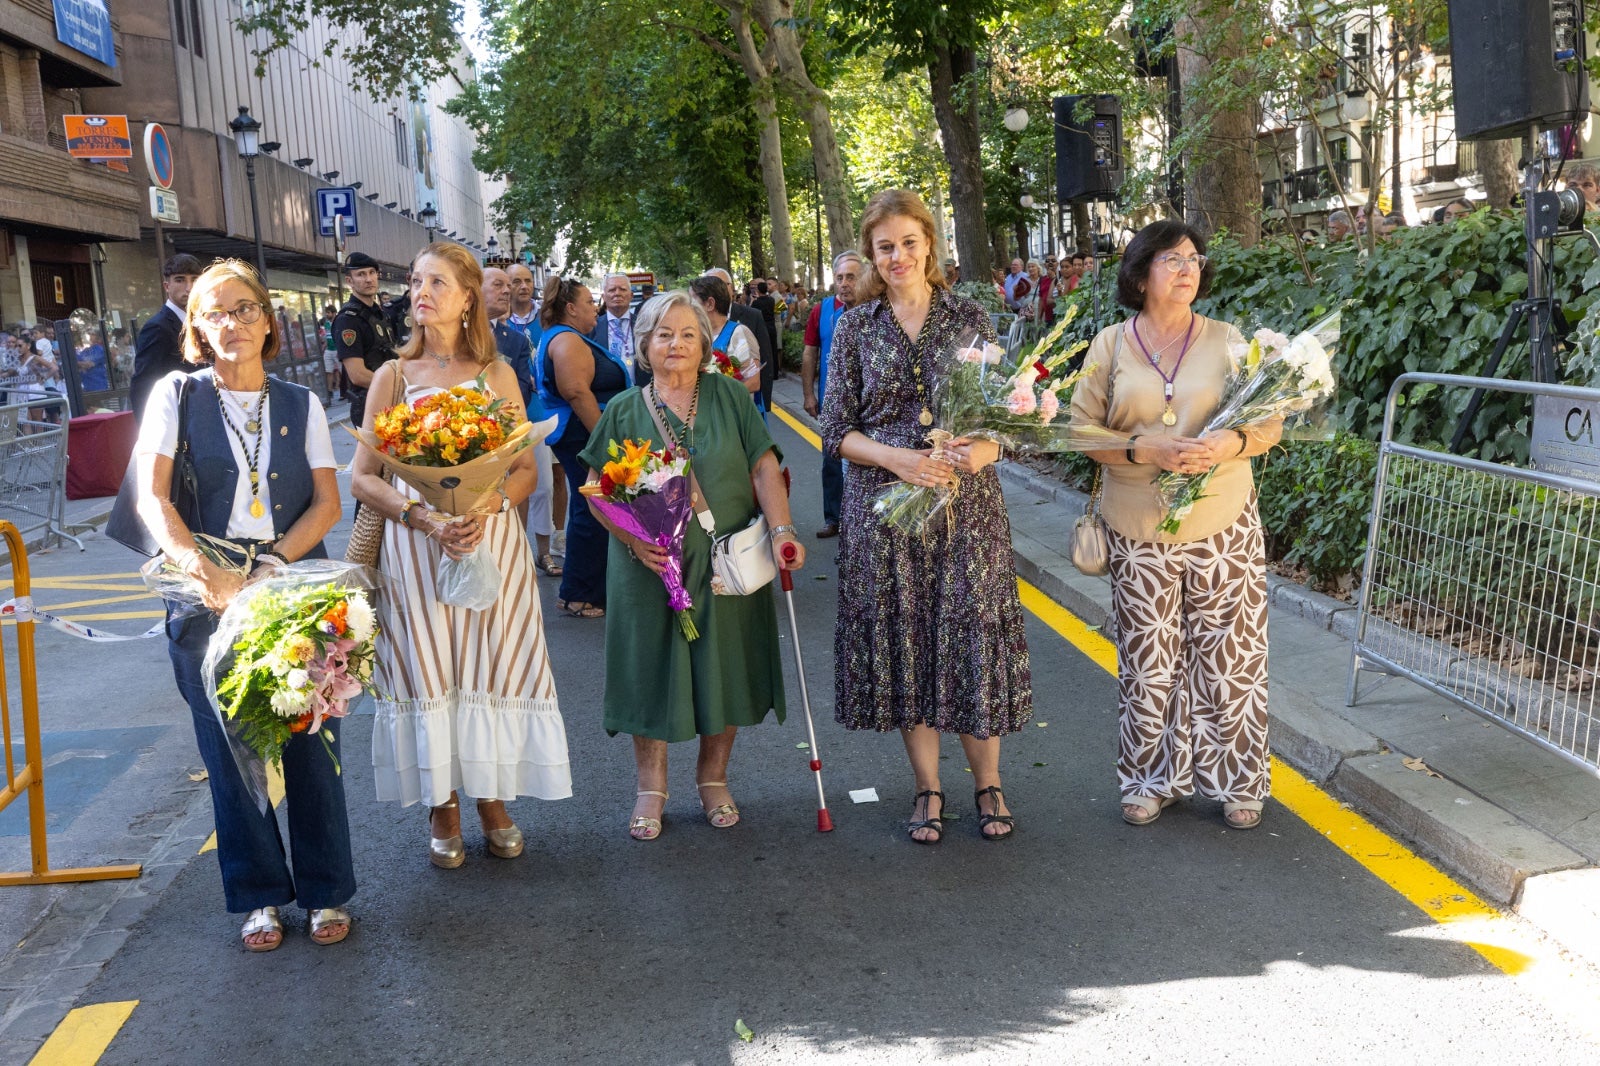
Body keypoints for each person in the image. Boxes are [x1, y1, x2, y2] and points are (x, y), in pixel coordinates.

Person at [132, 259, 351, 950]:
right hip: (206, 590)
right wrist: (204, 572)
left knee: (312, 739)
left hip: (291, 582)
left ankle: (324, 892)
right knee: (231, 751)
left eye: (245, 309)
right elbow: (153, 497)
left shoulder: (301, 403)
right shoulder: (177, 394)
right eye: (216, 312)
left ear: (268, 319)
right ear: (196, 325)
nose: (232, 323)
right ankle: (259, 897)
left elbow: (327, 503)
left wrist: (276, 565)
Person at [820, 189, 1031, 844]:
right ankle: (927, 788)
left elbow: (1003, 421)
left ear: (930, 245)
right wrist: (899, 461)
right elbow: (834, 430)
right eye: (886, 247)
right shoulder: (854, 326)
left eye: (909, 242)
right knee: (909, 641)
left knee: (970, 636)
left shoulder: (971, 318)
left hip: (967, 513)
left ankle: (989, 785)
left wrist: (983, 451)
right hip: (884, 515)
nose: (899, 256)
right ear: (871, 255)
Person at [352, 242, 572, 868]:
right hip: (416, 549)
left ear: (469, 296)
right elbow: (364, 477)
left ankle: (493, 801)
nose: (422, 292)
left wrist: (488, 507)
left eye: (437, 282)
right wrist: (421, 516)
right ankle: (442, 805)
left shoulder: (495, 375)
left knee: (490, 666)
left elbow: (527, 467)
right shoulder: (393, 377)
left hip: (487, 540)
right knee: (429, 668)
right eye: (416, 281)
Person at [1068, 219, 1281, 832]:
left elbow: (1269, 423)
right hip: (1137, 522)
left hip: (1222, 517)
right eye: (1171, 259)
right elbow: (1079, 429)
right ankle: (1149, 777)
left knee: (1231, 656)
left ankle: (1239, 780)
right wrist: (1143, 450)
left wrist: (1227, 443)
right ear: (1140, 274)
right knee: (1148, 659)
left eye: (1193, 258)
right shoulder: (1111, 344)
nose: (1188, 268)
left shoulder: (1228, 339)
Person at [579, 290, 805, 841]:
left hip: (725, 562)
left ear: (705, 342)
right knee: (649, 669)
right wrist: (634, 542)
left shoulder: (728, 396)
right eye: (663, 335)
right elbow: (596, 491)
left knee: (724, 663)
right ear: (643, 346)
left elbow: (763, 467)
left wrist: (782, 533)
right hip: (647, 568)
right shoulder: (623, 409)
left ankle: (713, 777)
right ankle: (650, 785)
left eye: (686, 334)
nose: (675, 344)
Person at [539, 276, 634, 618]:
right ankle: (579, 594)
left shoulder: (569, 337)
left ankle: (581, 591)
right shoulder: (566, 340)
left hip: (582, 434)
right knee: (591, 509)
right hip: (583, 435)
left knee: (588, 507)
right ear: (570, 308)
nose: (596, 308)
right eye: (590, 303)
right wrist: (605, 444)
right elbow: (577, 392)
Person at [484, 266, 559, 577]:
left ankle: (542, 551)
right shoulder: (456, 335)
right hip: (474, 439)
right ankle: (508, 550)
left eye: (510, 283)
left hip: (522, 422)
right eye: (500, 284)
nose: (508, 290)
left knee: (539, 486)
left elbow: (523, 385)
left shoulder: (512, 339)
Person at [802, 250, 863, 539]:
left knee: (863, 467)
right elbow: (810, 353)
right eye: (839, 278)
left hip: (868, 406)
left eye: (851, 277)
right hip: (832, 402)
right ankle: (834, 519)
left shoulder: (881, 310)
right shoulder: (823, 310)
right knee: (832, 462)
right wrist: (809, 394)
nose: (844, 283)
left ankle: (860, 527)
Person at [131, 253, 203, 419]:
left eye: (195, 279)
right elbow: (143, 385)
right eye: (180, 280)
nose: (189, 287)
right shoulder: (157, 327)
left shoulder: (204, 321)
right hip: (174, 420)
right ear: (166, 286)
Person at [333, 252, 397, 430]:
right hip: (370, 405)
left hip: (390, 401)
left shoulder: (380, 314)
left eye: (371, 273)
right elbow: (358, 374)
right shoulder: (348, 319)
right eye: (361, 274)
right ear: (349, 281)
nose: (368, 279)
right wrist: (396, 385)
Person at [707, 267, 777, 411]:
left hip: (744, 403)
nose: (716, 289)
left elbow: (765, 357)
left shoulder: (752, 315)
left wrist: (765, 399)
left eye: (720, 284)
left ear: (731, 288)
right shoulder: (697, 322)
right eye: (710, 286)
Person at [689, 275, 761, 399]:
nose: (688, 308)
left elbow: (753, 382)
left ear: (710, 304)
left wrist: (717, 396)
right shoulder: (696, 334)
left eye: (692, 302)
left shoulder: (739, 333)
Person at [589, 273, 639, 384]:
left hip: (640, 394)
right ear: (604, 297)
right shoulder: (592, 327)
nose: (617, 293)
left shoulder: (644, 325)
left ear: (631, 295)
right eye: (612, 290)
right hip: (607, 396)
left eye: (622, 289)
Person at [319, 305, 342, 397]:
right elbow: (327, 337)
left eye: (328, 313)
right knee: (328, 371)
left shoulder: (339, 322)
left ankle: (346, 389)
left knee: (341, 371)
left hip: (337, 349)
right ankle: (329, 391)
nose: (327, 314)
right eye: (326, 312)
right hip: (329, 349)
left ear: (334, 313)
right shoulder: (326, 324)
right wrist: (324, 346)